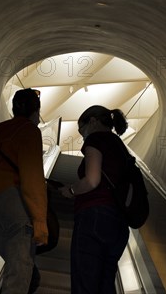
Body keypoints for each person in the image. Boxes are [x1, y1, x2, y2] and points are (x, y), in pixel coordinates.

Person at [0, 88, 48, 294]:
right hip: (17, 206)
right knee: (18, 278)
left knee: (25, 274)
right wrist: (40, 224)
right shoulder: (29, 131)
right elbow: (32, 178)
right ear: (35, 112)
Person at [60, 105, 130, 294]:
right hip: (119, 225)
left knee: (85, 285)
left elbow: (92, 180)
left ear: (93, 121)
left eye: (81, 130)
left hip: (94, 218)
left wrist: (72, 190)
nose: (82, 136)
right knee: (105, 286)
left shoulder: (96, 139)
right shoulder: (120, 147)